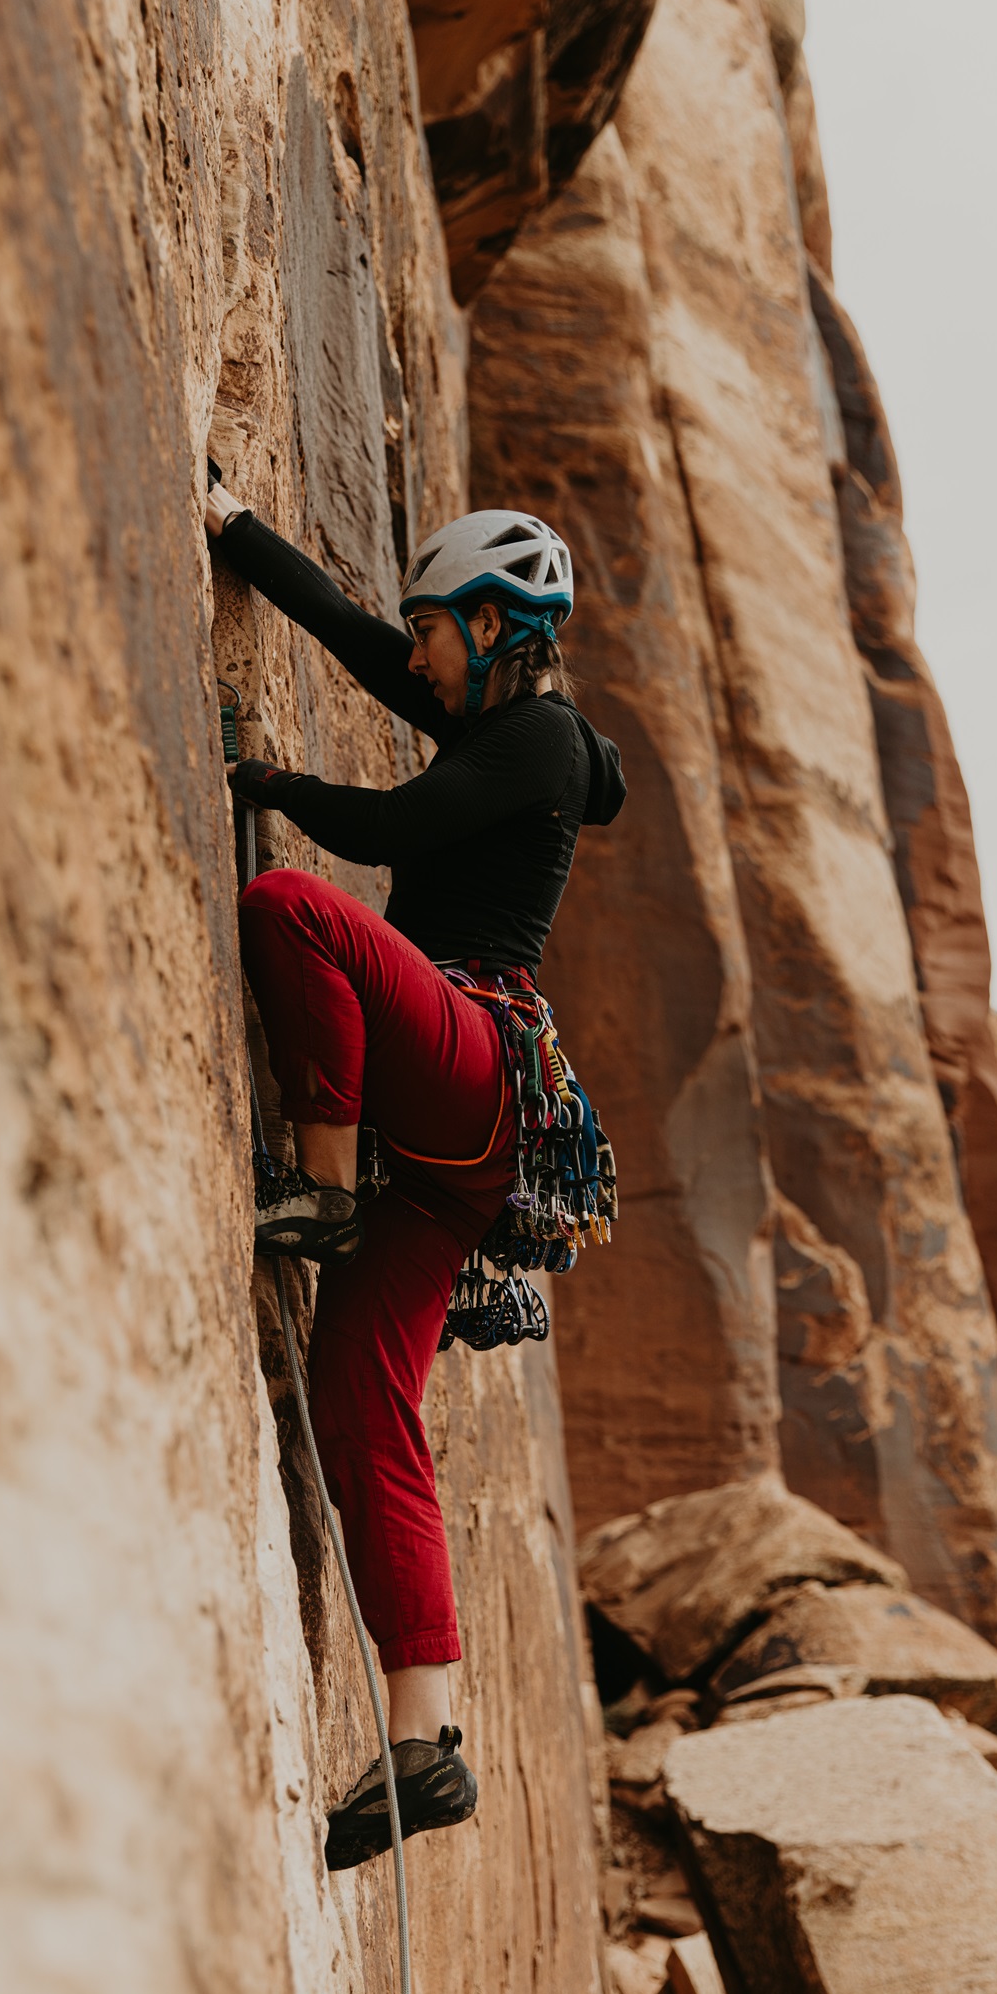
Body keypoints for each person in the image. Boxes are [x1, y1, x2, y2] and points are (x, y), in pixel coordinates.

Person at [206, 477, 626, 1870]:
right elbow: (341, 630)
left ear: (498, 627)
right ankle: (423, 1742)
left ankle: (321, 1188)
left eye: (438, 628)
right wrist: (235, 525)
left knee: (291, 907)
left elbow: (379, 838)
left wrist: (267, 785)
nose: (419, 649)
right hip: (452, 1149)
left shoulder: (544, 741)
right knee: (356, 1395)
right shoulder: (486, 710)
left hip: (471, 1072)